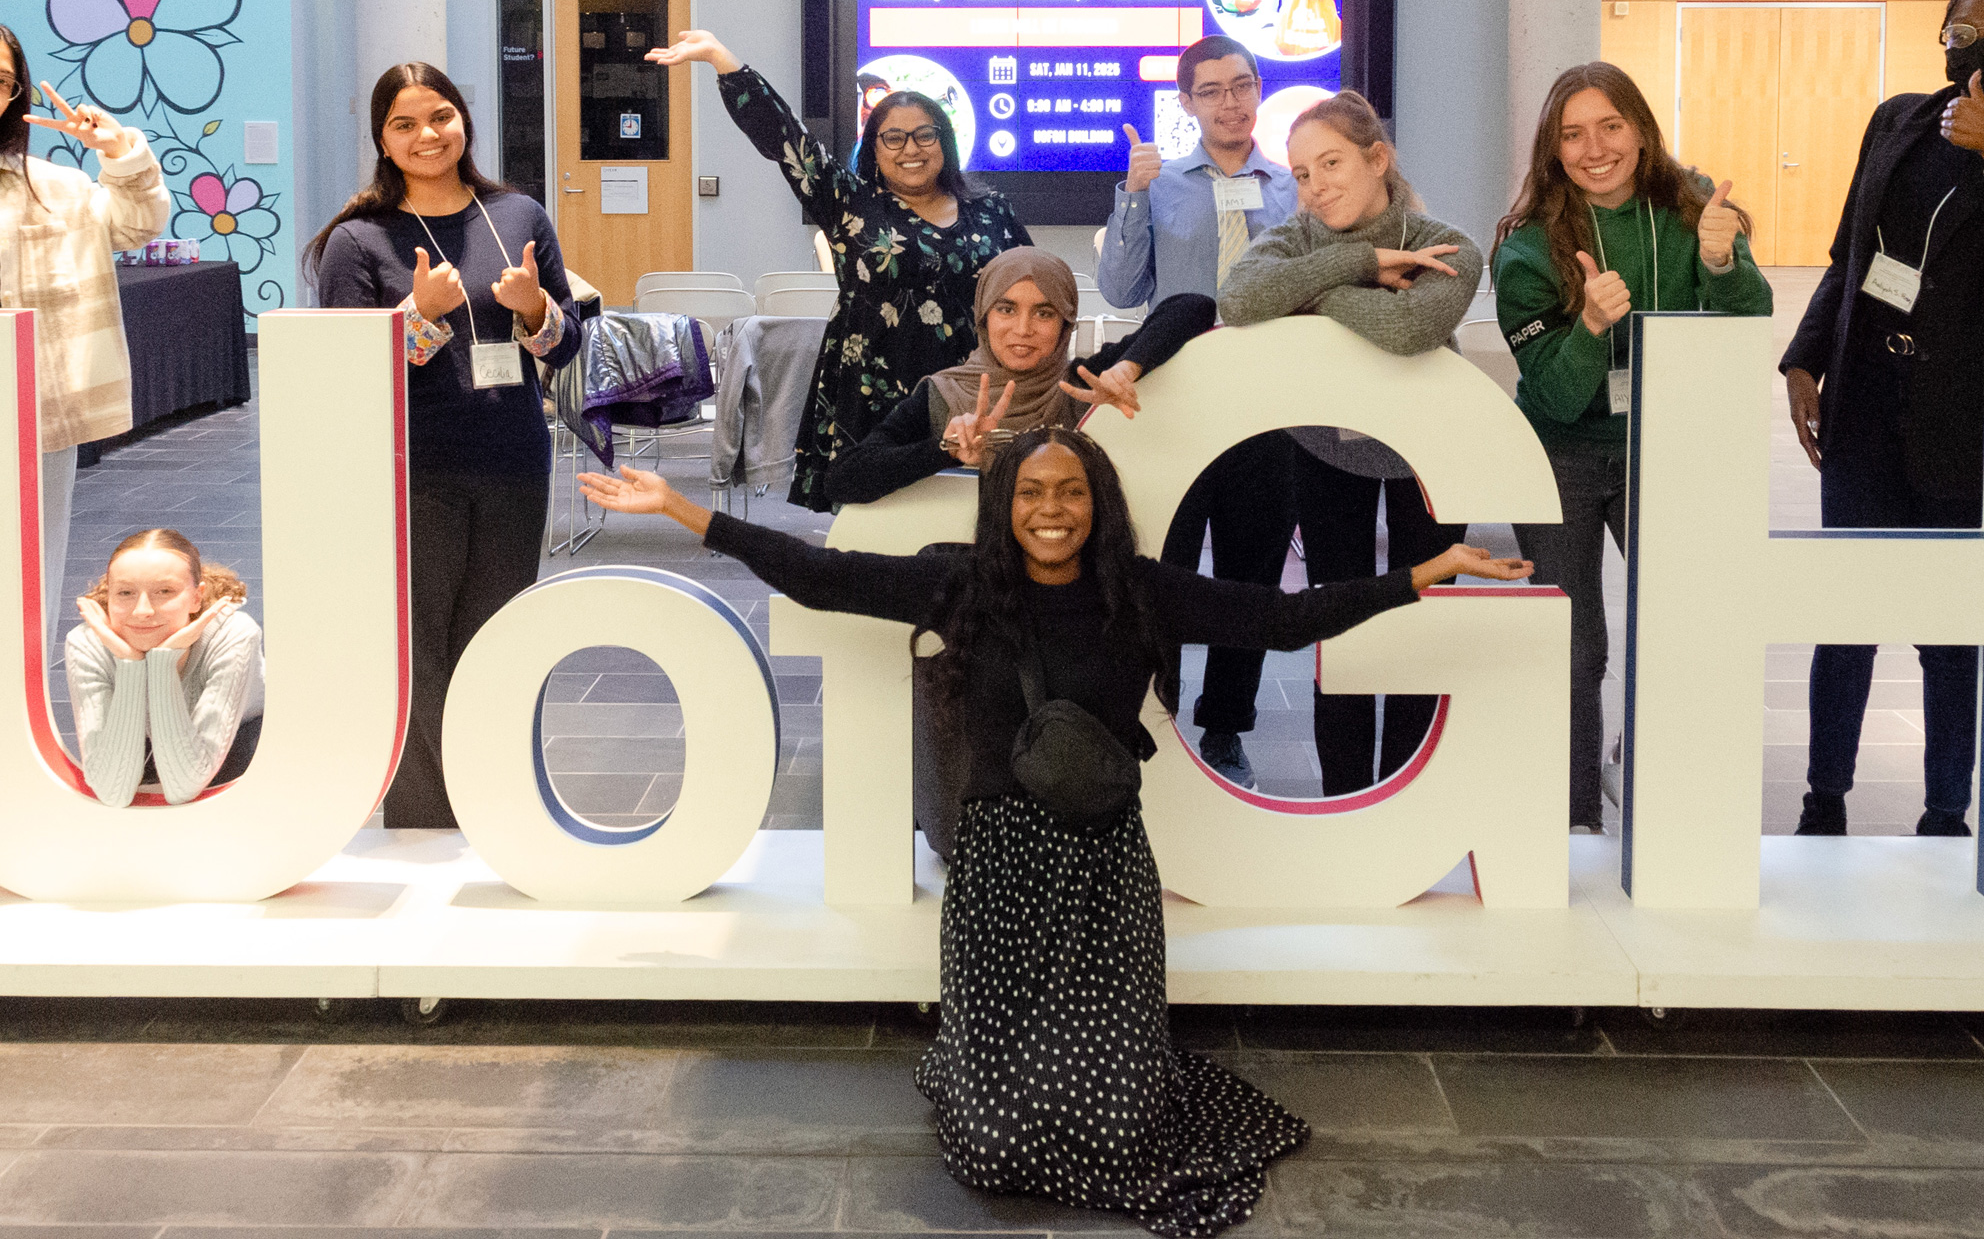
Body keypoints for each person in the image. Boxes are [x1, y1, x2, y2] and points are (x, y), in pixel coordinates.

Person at [578, 427, 1528, 1238]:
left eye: (1071, 491)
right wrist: (682, 508)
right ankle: (985, 1074)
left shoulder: (1144, 591)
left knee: (1117, 1130)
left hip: (1106, 874)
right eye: (1031, 491)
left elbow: (1280, 620)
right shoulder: (961, 589)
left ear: (1098, 504)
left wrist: (1422, 572)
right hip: (996, 875)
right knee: (994, 1152)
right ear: (1005, 505)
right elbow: (820, 575)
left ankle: (1095, 1082)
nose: (1051, 508)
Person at [1494, 62, 1770, 833]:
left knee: (1679, 630)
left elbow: (1748, 328)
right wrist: (1587, 328)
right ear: (1553, 150)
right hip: (1562, 456)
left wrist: (1722, 264)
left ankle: (1658, 795)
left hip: (1667, 449)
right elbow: (1551, 395)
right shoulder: (1525, 251)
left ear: (1641, 131)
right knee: (1575, 648)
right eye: (1573, 134)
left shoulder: (1695, 214)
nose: (1594, 149)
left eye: (1610, 126)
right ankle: (1575, 818)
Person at [306, 61, 581, 829]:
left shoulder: (519, 215)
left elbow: (564, 348)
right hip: (408, 469)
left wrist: (535, 314)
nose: (427, 135)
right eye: (405, 124)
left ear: (464, 122)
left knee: (495, 643)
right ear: (383, 142)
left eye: (440, 117)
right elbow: (342, 371)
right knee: (419, 649)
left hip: (512, 459)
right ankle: (428, 820)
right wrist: (417, 318)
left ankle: (495, 806)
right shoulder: (358, 241)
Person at [1219, 92, 1482, 794]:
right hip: (1324, 449)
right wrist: (1361, 265)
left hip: (1431, 451)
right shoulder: (1296, 237)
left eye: (1330, 163)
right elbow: (1239, 301)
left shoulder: (1447, 244)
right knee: (1340, 619)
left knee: (1417, 622)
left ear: (1378, 159)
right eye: (1301, 173)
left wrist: (1305, 301)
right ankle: (1346, 796)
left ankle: (1404, 790)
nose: (1315, 186)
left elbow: (1406, 332)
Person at [647, 29, 1030, 509]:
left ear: (944, 142)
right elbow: (787, 141)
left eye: (924, 134)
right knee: (878, 526)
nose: (910, 148)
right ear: (874, 148)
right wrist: (724, 61)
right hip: (873, 385)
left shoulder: (991, 211)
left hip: (970, 381)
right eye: (894, 137)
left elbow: (1034, 288)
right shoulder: (850, 202)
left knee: (976, 512)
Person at [1782, 0, 1984, 838]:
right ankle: (1824, 797)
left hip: (1962, 426)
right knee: (1846, 611)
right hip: (1866, 406)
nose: (1963, 31)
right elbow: (1848, 258)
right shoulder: (1900, 120)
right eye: (1961, 14)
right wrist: (1805, 357)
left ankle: (1946, 812)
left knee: (1950, 628)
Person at [1096, 33, 1299, 789]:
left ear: (1257, 89)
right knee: (1161, 568)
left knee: (1249, 579)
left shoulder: (1292, 187)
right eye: (1210, 90)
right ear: (1186, 103)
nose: (1230, 102)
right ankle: (1159, 711)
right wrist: (1131, 194)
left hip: (1265, 409)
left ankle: (1225, 729)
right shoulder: (1160, 182)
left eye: (1241, 85)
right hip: (1173, 405)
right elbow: (1120, 291)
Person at [0, 15, 171, 662]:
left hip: (27, 414)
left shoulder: (54, 189)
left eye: (1, 79)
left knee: (24, 578)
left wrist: (120, 153)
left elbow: (137, 224)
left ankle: (14, 718)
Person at [826, 246, 1216, 504]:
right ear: (983, 316)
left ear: (1065, 325)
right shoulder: (943, 395)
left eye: (1044, 313)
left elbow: (1194, 307)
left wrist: (1127, 367)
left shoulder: (1083, 384)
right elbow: (843, 480)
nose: (1023, 329)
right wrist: (946, 451)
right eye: (1007, 309)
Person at [64, 527, 263, 808]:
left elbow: (184, 786)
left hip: (241, 732)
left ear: (196, 596)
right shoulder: (87, 643)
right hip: (147, 731)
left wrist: (162, 663)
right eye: (125, 592)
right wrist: (130, 663)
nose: (142, 610)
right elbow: (111, 791)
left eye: (164, 591)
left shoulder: (234, 634)